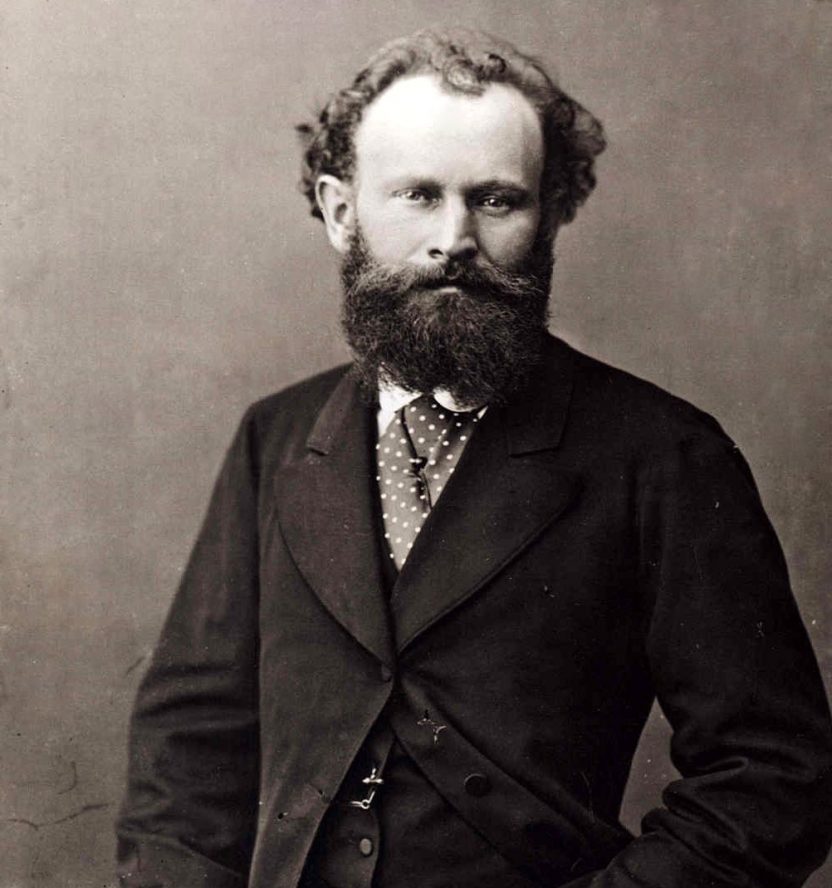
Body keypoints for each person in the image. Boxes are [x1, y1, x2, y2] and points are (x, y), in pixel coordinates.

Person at [115, 28, 832, 888]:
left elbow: (773, 779)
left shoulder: (665, 456)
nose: (455, 237)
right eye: (417, 195)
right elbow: (188, 750)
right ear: (342, 213)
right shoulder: (275, 438)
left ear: (551, 216)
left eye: (496, 201)